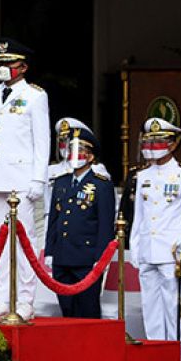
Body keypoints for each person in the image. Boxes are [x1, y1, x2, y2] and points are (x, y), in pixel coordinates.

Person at [0, 39, 49, 321]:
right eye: (0, 64)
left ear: (23, 67)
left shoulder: (34, 96)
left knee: (23, 241)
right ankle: (4, 298)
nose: (3, 68)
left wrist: (37, 181)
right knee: (0, 243)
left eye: (9, 64)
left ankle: (25, 300)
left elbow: (42, 141)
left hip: (21, 179)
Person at [127, 117, 181, 341]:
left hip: (172, 253)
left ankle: (173, 356)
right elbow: (139, 217)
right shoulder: (142, 176)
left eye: (158, 143)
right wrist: (135, 248)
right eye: (149, 143)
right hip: (148, 251)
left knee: (173, 308)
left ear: (172, 144)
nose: (152, 148)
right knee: (150, 307)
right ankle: (155, 354)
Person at [44, 129, 114, 318]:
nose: (73, 155)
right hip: (61, 257)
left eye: (80, 151)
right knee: (66, 310)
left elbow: (106, 225)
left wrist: (102, 258)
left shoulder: (101, 184)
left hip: (86, 259)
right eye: (71, 150)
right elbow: (54, 219)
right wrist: (50, 250)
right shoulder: (61, 182)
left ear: (90, 156)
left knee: (87, 309)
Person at [44, 118, 110, 250]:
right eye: (63, 142)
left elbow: (104, 216)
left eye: (70, 143)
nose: (66, 147)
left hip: (84, 239)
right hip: (57, 232)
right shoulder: (51, 171)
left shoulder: (98, 171)